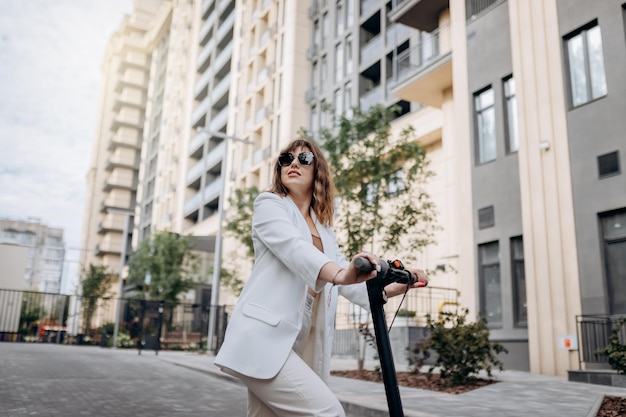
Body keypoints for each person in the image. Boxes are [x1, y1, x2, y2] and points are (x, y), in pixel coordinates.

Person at [214, 137, 429, 417]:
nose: (293, 164)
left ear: (318, 171)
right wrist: (341, 273)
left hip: (299, 340)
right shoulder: (269, 205)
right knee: (328, 413)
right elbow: (295, 249)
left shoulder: (324, 230)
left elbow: (350, 285)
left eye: (303, 159)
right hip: (264, 339)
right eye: (286, 159)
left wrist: (401, 283)